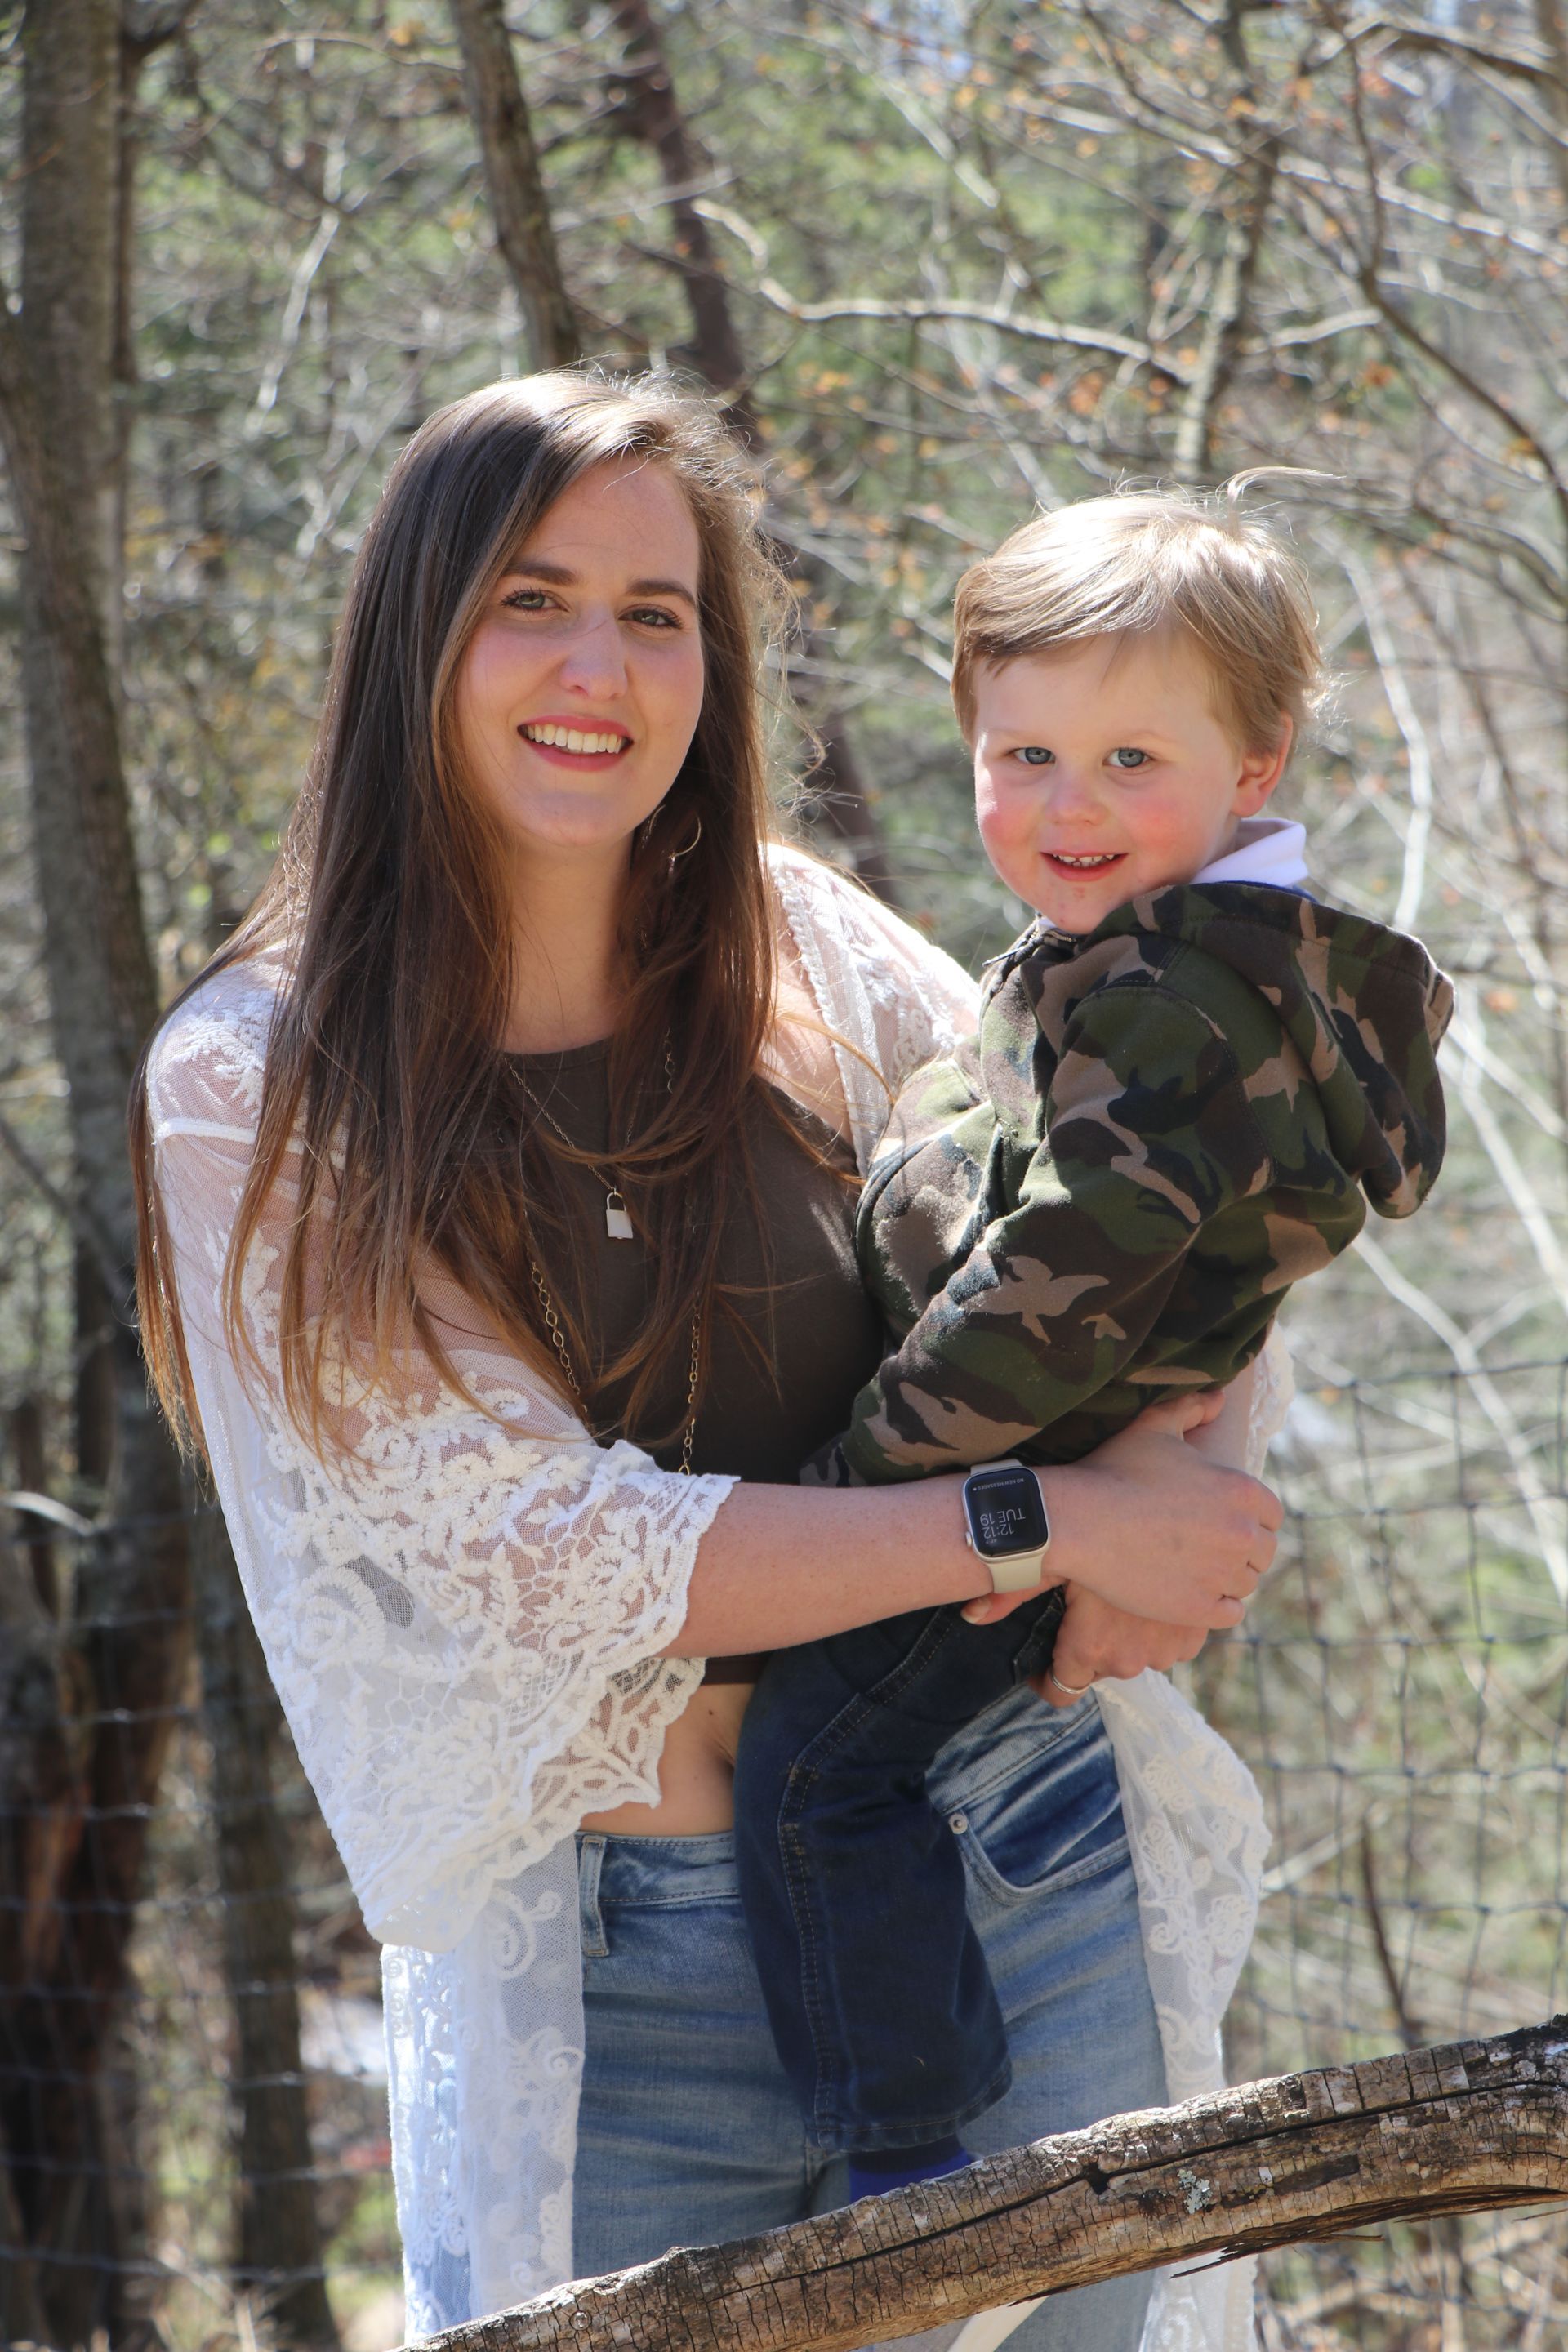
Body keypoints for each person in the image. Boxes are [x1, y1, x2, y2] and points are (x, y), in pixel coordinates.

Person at [130, 376, 1284, 2352]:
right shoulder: (261, 1080)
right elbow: (553, 1553)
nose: (600, 667)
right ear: (418, 626)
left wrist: (1173, 1504)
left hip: (1010, 1844)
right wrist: (1053, 1517)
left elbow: (1154, 1200)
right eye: (532, 597)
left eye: (656, 612)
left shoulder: (811, 953)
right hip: (627, 1972)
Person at [732, 489, 1453, 2203]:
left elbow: (1067, 1272)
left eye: (1134, 761)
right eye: (1023, 754)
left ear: (1255, 762)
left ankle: (906, 2157)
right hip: (1056, 1469)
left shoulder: (1157, 1002)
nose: (1067, 805)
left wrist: (868, 1485)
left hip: (1005, 1480)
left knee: (815, 1774)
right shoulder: (1209, 962)